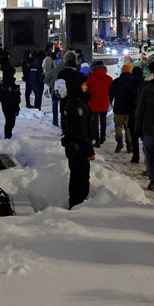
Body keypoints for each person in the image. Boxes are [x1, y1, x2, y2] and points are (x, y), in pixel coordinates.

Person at [61, 73, 95, 209]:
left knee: (77, 179)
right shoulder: (76, 106)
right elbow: (80, 131)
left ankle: (76, 205)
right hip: (78, 150)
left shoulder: (73, 101)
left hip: (75, 149)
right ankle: (77, 208)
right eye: (83, 85)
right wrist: (88, 151)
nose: (86, 87)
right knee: (80, 181)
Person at [134, 67, 154, 190]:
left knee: (149, 153)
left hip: (148, 127)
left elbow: (140, 110)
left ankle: (153, 178)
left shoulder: (147, 90)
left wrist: (137, 128)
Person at [86, 60, 113, 147]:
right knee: (103, 120)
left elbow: (87, 90)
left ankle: (96, 141)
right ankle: (102, 137)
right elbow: (110, 91)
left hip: (93, 102)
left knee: (95, 122)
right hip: (104, 102)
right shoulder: (108, 78)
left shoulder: (90, 78)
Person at [109, 64, 133, 152]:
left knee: (118, 125)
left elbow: (111, 93)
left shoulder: (116, 81)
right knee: (128, 127)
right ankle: (129, 145)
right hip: (129, 108)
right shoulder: (132, 81)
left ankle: (119, 143)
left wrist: (111, 101)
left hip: (118, 107)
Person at [126, 66, 145, 163]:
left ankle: (136, 156)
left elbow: (126, 99)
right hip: (143, 112)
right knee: (144, 135)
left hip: (133, 112)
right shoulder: (145, 84)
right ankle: (147, 157)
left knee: (134, 135)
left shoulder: (130, 84)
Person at [0, 65, 21, 139]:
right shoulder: (7, 84)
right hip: (9, 105)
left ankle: (8, 137)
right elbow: (10, 97)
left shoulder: (5, 82)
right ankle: (8, 138)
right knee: (10, 122)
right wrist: (16, 107)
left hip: (7, 105)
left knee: (10, 122)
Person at [44, 51, 66, 127]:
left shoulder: (53, 72)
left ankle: (55, 121)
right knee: (63, 108)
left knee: (54, 106)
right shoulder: (66, 72)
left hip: (55, 92)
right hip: (64, 93)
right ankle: (63, 122)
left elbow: (45, 80)